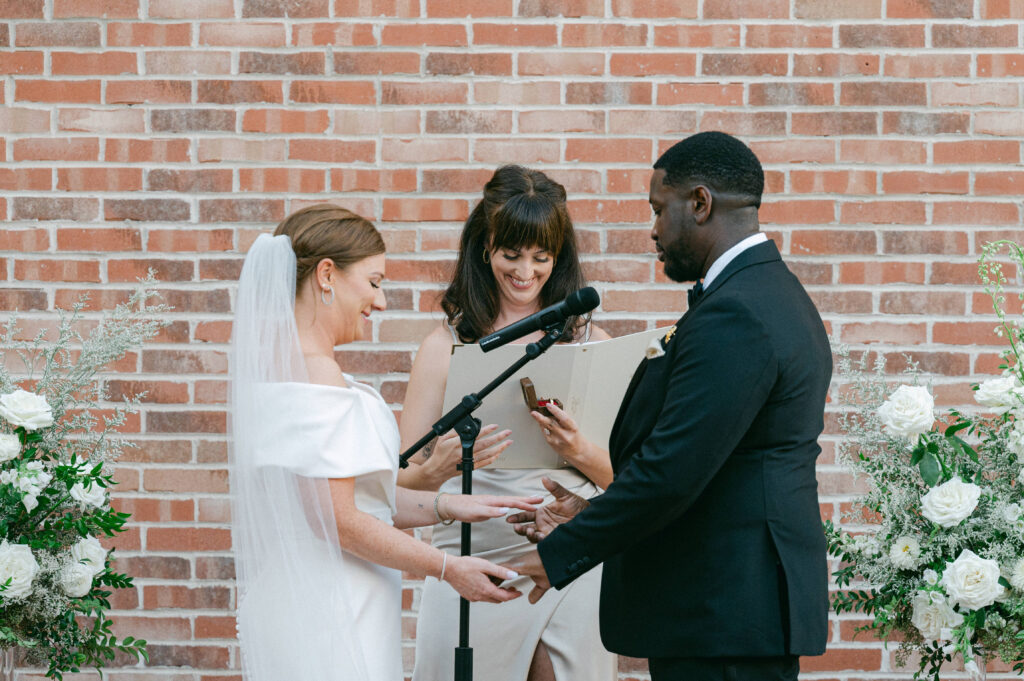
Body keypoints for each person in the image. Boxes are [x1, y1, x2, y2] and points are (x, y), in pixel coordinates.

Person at [507, 132, 833, 681]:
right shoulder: (761, 294)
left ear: (700, 204)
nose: (654, 229)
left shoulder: (739, 313)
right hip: (726, 612)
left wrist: (560, 552)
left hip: (723, 614)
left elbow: (672, 469)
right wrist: (593, 514)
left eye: (660, 209)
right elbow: (713, 471)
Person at [227, 204, 542, 681]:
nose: (381, 302)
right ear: (327, 275)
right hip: (332, 607)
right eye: (374, 282)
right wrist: (446, 567)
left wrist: (449, 507)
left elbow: (353, 503)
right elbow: (338, 520)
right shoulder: (316, 376)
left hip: (323, 596)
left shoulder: (288, 368)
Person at [402, 166, 617, 681]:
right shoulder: (443, 347)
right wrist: (439, 466)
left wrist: (579, 450)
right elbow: (396, 485)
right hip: (472, 554)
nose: (526, 271)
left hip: (567, 552)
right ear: (484, 248)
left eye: (541, 258)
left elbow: (630, 483)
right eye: (511, 254)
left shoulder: (594, 345)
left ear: (559, 256)